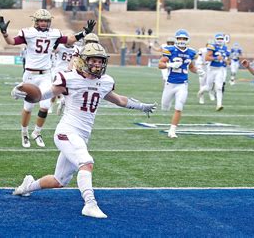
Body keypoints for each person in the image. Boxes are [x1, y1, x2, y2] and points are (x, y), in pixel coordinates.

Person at [10, 43, 156, 218]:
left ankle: (27, 186)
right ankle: (90, 204)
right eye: (93, 61)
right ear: (83, 61)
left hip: (82, 135)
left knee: (59, 180)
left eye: (101, 61)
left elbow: (120, 100)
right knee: (86, 162)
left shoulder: (105, 81)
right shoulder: (68, 78)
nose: (98, 65)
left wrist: (141, 106)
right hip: (67, 131)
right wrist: (21, 91)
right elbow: (43, 95)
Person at [0, 9, 96, 148]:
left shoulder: (54, 33)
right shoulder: (28, 32)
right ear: (36, 21)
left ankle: (37, 132)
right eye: (41, 21)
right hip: (30, 75)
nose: (44, 23)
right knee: (28, 107)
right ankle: (24, 133)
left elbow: (69, 40)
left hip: (45, 74)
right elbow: (12, 42)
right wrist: (4, 33)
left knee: (45, 105)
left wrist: (84, 33)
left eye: (46, 21)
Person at [159, 29, 200, 138]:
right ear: (176, 39)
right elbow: (160, 64)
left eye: (184, 38)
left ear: (188, 40)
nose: (182, 40)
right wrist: (170, 65)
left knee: (179, 106)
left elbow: (191, 67)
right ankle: (167, 107)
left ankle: (172, 130)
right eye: (180, 38)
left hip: (183, 84)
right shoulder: (170, 50)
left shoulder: (191, 52)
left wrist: (198, 71)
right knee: (165, 107)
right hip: (170, 83)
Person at [197, 33, 230, 111]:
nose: (220, 40)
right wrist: (216, 58)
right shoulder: (212, 46)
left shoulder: (225, 48)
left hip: (220, 69)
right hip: (211, 69)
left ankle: (219, 105)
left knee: (219, 87)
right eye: (218, 39)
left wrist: (226, 61)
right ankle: (201, 91)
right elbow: (207, 57)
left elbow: (225, 58)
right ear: (215, 39)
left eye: (221, 39)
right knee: (208, 87)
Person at [195, 40, 212, 104]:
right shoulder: (202, 50)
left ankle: (210, 93)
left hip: (209, 68)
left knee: (211, 83)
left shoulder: (213, 51)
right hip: (202, 67)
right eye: (209, 45)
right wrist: (199, 67)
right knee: (202, 83)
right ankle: (201, 98)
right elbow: (198, 60)